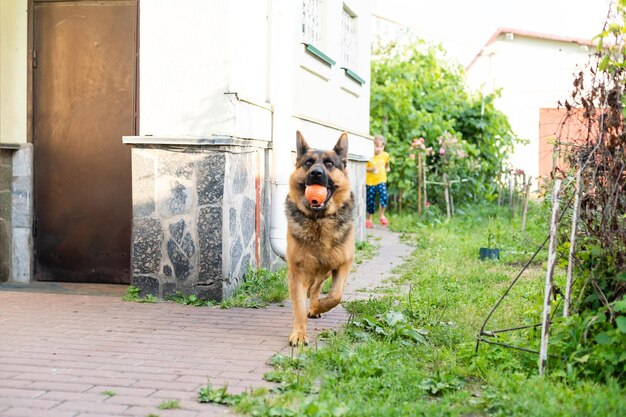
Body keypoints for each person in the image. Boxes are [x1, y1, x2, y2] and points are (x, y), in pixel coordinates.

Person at [365, 135, 391, 228]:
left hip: (381, 180)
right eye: (376, 146)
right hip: (370, 182)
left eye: (381, 147)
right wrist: (371, 169)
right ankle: (369, 218)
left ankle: (381, 215)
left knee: (384, 196)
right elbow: (364, 168)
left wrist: (387, 168)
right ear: (372, 146)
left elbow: (387, 164)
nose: (379, 149)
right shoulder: (369, 156)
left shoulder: (385, 155)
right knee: (370, 200)